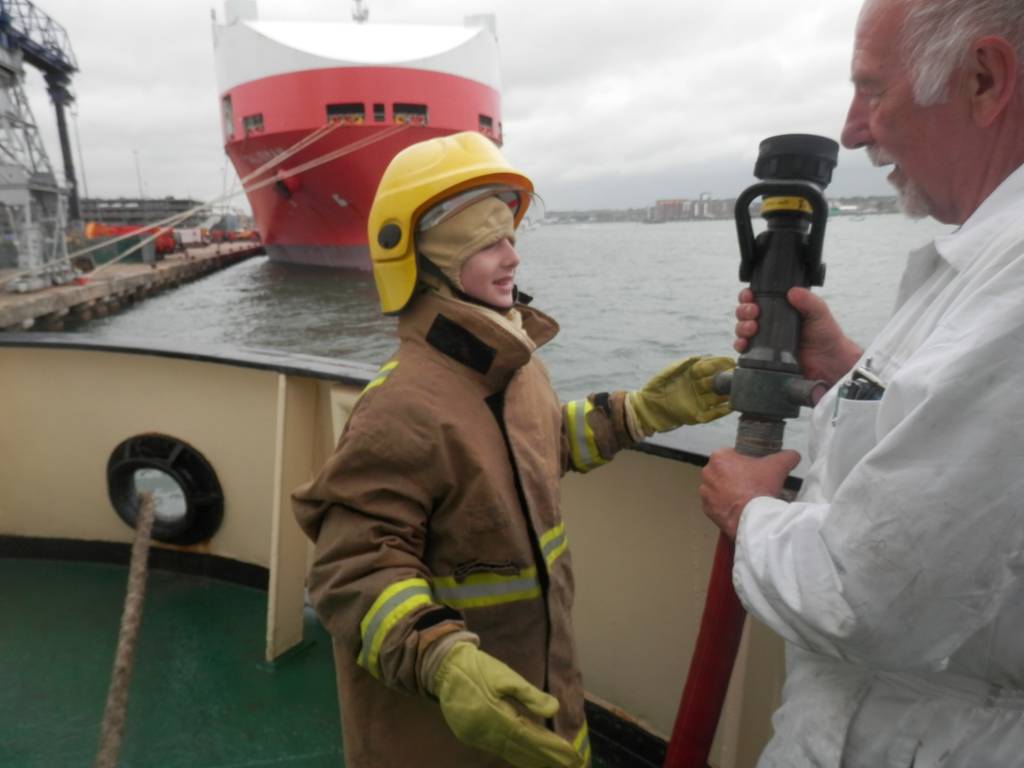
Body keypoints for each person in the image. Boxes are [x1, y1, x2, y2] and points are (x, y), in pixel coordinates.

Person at [292, 131, 735, 768]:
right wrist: (442, 661)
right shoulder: (401, 406)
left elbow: (540, 445)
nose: (512, 257)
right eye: (486, 242)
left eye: (512, 237)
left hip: (542, 687)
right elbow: (350, 571)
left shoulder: (513, 367)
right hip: (443, 735)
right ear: (430, 262)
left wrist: (641, 412)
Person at [699, 0, 1024, 765]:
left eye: (874, 92)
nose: (851, 130)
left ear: (984, 78)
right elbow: (955, 435)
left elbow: (870, 599)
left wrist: (748, 512)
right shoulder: (985, 267)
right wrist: (846, 370)